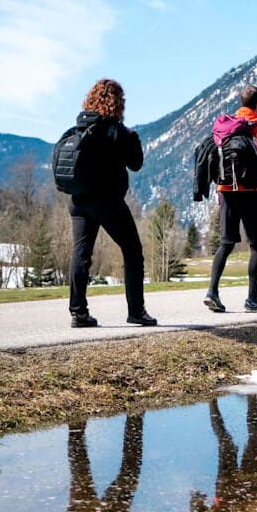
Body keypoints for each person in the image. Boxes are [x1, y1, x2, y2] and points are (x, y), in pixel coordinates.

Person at [67, 78, 156, 327]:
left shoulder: (79, 128)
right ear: (118, 103)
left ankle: (78, 312)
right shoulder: (115, 130)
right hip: (106, 201)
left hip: (77, 201)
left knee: (81, 253)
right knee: (132, 251)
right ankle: (136, 311)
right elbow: (136, 163)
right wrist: (133, 137)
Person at [204, 85, 257, 313]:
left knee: (226, 243)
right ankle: (252, 299)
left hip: (225, 189)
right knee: (256, 246)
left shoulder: (226, 128)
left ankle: (212, 292)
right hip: (252, 192)